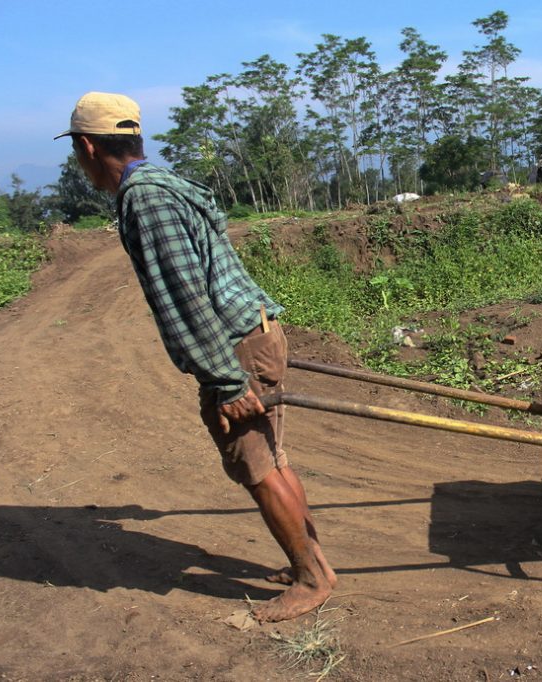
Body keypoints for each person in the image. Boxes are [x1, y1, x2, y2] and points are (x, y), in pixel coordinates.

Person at [55, 92, 335, 623]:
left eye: (76, 149)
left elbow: (185, 295)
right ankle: (311, 559)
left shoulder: (145, 198)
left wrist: (227, 382)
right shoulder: (164, 182)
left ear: (88, 146)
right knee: (273, 459)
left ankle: (311, 578)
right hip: (254, 331)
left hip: (233, 347)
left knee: (257, 467)